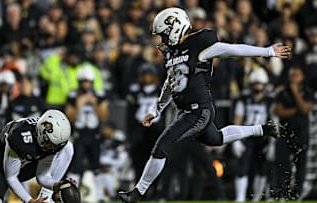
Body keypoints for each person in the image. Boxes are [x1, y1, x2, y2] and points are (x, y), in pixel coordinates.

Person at [117, 7, 291, 203]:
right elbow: (170, 83)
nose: (161, 41)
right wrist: (156, 109)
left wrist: (268, 51)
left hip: (198, 111)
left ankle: (137, 193)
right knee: (216, 138)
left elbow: (232, 50)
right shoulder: (171, 53)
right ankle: (262, 129)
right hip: (188, 111)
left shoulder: (199, 44)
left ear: (175, 29)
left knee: (161, 147)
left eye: (163, 35)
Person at [0, 109, 74, 203]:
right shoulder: (19, 136)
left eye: (55, 145)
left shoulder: (51, 142)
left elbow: (42, 176)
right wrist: (29, 200)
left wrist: (56, 185)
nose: (52, 148)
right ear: (41, 131)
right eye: (50, 143)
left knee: (67, 148)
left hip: (24, 164)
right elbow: (11, 177)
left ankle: (46, 198)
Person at [232, 68, 274, 202]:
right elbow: (238, 118)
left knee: (262, 169)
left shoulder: (270, 101)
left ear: (265, 84)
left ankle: (257, 197)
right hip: (246, 136)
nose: (257, 86)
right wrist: (235, 140)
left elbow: (274, 121)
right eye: (255, 83)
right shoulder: (244, 99)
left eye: (260, 83)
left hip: (263, 137)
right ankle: (240, 197)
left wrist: (272, 142)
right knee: (242, 167)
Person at [272, 65, 314, 200]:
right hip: (284, 134)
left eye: (296, 75)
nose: (293, 78)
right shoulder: (282, 92)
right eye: (292, 75)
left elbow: (306, 109)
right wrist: (297, 111)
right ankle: (281, 193)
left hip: (301, 134)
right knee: (282, 164)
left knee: (301, 165)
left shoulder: (307, 92)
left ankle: (296, 195)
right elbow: (278, 111)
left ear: (302, 77)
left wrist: (295, 92)